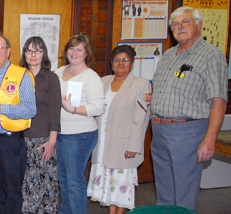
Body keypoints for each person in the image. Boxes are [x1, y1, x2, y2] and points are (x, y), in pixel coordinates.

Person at [150, 7, 228, 210]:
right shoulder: (167, 55)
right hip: (159, 130)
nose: (179, 27)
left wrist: (209, 139)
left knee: (184, 191)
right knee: (164, 191)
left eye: (185, 22)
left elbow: (218, 100)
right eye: (175, 24)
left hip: (187, 132)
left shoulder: (211, 56)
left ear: (199, 25)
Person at [87, 45, 151, 214]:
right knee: (107, 187)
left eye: (125, 60)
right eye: (117, 60)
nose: (121, 64)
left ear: (132, 63)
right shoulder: (104, 81)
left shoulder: (140, 84)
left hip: (124, 145)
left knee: (120, 186)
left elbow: (141, 119)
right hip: (103, 143)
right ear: (111, 63)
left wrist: (134, 146)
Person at [0, 32, 36, 214]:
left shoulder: (21, 75)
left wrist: (0, 107)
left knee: (11, 191)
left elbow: (30, 109)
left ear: (8, 51)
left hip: (10, 143)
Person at [55, 33, 105, 214]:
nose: (74, 53)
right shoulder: (59, 72)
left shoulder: (90, 77)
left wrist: (74, 109)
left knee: (74, 180)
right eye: (71, 48)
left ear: (86, 53)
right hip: (60, 133)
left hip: (80, 134)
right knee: (63, 178)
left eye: (79, 49)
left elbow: (98, 107)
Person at [20, 36, 61, 214]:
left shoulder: (51, 78)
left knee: (45, 185)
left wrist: (52, 141)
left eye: (37, 50)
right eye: (29, 50)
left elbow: (54, 111)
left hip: (43, 140)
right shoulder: (18, 76)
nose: (33, 54)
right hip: (21, 138)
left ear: (43, 53)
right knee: (26, 184)